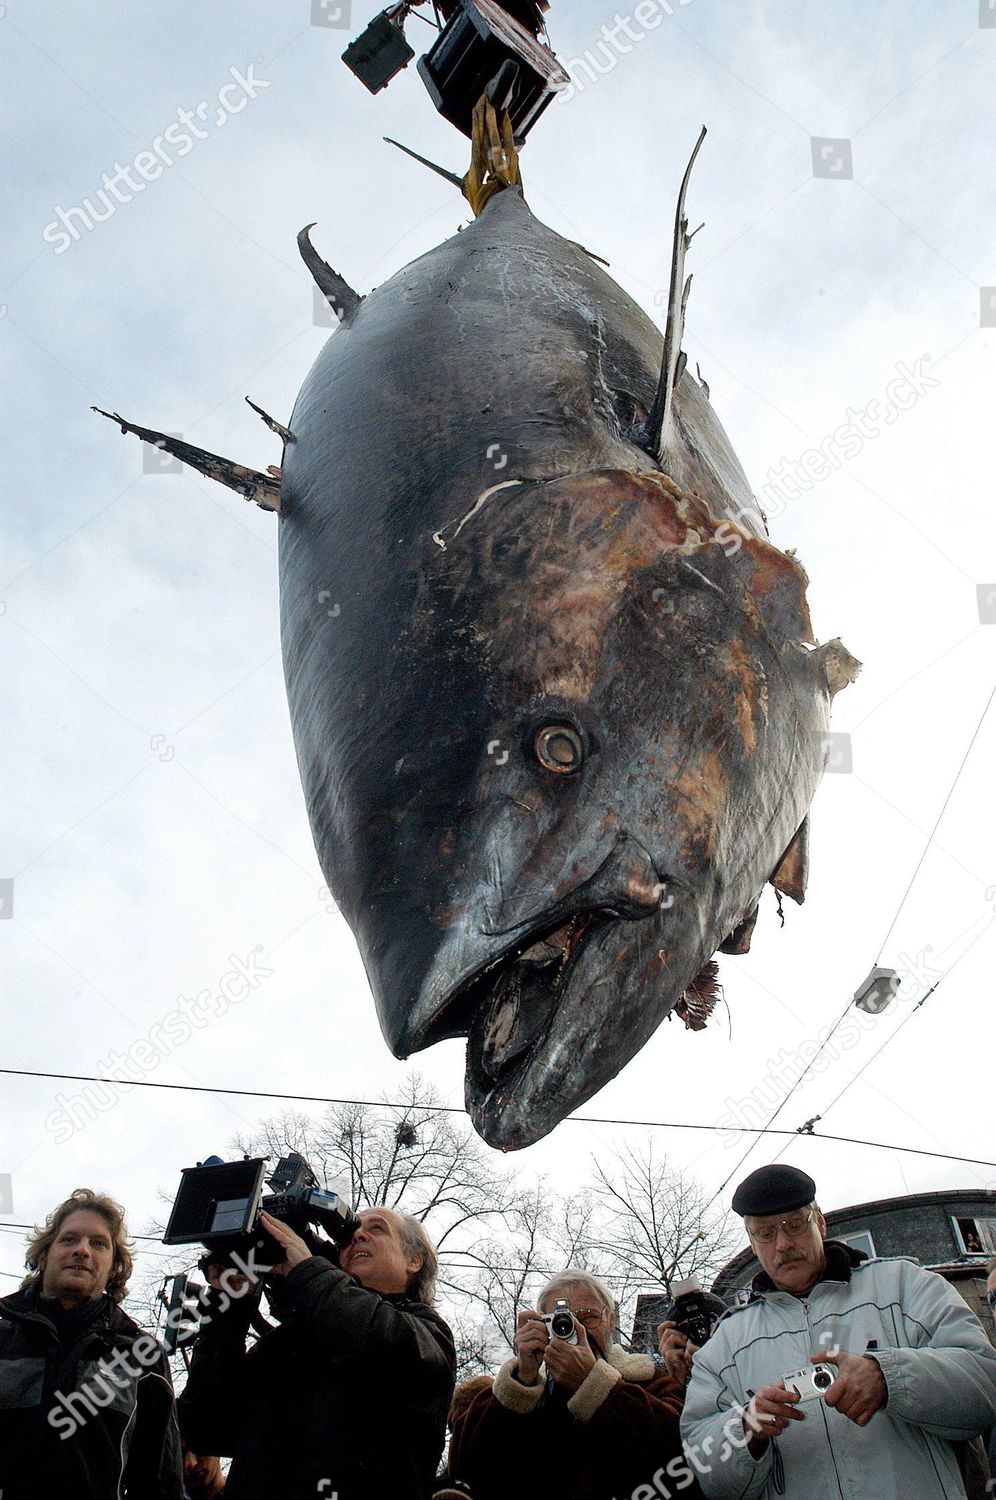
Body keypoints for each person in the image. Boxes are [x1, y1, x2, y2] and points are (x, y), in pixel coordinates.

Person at [680, 1164, 996, 1499]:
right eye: (766, 1233)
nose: (784, 1243)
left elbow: (986, 1385)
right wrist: (747, 1428)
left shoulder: (905, 1287)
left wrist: (889, 1376)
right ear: (753, 1243)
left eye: (795, 1224)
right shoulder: (726, 1345)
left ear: (819, 1222)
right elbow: (707, 1474)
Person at [178, 1205, 456, 1500]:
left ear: (413, 1260)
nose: (358, 1235)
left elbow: (372, 1335)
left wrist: (308, 1273)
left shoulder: (427, 1333)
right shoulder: (289, 1343)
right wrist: (230, 1309)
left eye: (377, 1229)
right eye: (350, 1233)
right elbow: (208, 1425)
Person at [447, 1269, 698, 1500]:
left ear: (611, 1321)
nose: (575, 1329)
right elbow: (465, 1470)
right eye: (560, 1320)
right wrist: (523, 1380)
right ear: (541, 1325)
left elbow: (687, 1452)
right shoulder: (527, 1388)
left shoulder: (647, 1379)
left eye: (588, 1317)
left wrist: (595, 1384)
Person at [0, 1186, 184, 1499]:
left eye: (98, 1243)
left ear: (114, 1266)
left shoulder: (141, 1356)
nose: (82, 1250)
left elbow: (160, 1482)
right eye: (69, 1239)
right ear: (44, 1255)